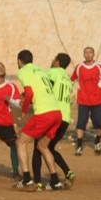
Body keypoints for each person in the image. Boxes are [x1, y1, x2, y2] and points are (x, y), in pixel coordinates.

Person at [15, 49, 63, 191]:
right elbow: (40, 89)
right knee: (42, 146)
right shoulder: (41, 70)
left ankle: (27, 180)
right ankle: (55, 181)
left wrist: (23, 109)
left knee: (21, 142)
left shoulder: (23, 71)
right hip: (56, 112)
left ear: (19, 61)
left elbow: (29, 92)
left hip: (44, 113)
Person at [31, 53, 75, 190]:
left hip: (52, 115)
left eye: (53, 59)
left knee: (39, 147)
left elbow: (45, 89)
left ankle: (37, 182)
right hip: (65, 117)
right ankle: (67, 173)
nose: (51, 61)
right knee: (48, 148)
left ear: (57, 62)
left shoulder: (52, 73)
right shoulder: (67, 79)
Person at [70, 46, 101, 156]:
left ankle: (97, 142)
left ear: (93, 54)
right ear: (84, 54)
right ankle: (79, 145)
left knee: (99, 124)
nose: (88, 54)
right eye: (86, 53)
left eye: (90, 53)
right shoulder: (79, 67)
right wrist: (69, 91)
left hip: (97, 100)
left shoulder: (99, 66)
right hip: (83, 100)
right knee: (81, 123)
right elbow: (72, 80)